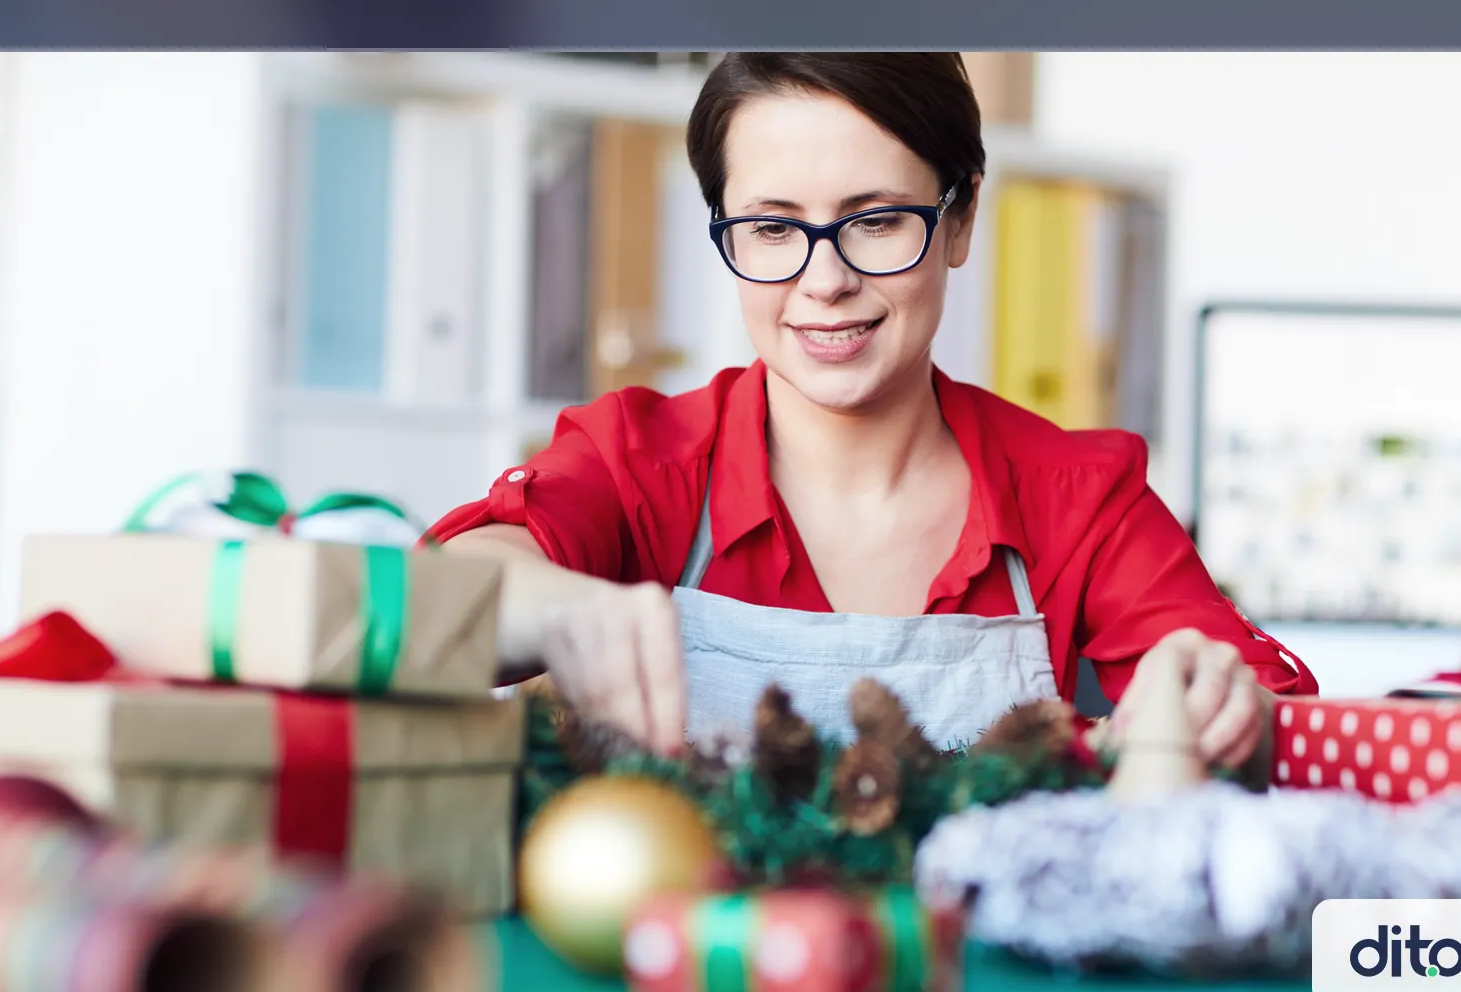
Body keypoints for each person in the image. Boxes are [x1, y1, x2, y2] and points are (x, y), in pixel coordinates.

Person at [431, 52, 1316, 761]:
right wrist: (556, 610)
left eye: (877, 221)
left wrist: (1216, 700)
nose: (826, 281)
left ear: (960, 217)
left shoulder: (1078, 497)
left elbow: (1272, 717)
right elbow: (444, 594)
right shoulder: (637, 463)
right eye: (773, 228)